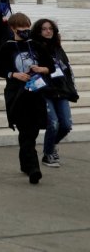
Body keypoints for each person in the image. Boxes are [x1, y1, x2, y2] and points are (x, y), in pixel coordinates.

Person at [0, 12, 52, 184]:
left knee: (32, 131)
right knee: (25, 129)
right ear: (13, 29)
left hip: (35, 93)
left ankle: (25, 163)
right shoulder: (7, 47)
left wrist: (41, 69)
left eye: (27, 28)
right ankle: (34, 167)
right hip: (17, 94)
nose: (25, 32)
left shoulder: (36, 45)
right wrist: (14, 74)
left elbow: (50, 66)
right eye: (21, 29)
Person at [33, 18, 77, 167]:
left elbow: (66, 69)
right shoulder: (34, 47)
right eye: (44, 29)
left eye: (50, 28)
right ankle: (48, 154)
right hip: (44, 90)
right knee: (53, 123)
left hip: (61, 90)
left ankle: (51, 146)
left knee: (66, 125)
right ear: (38, 31)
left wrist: (71, 89)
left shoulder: (58, 48)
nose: (48, 31)